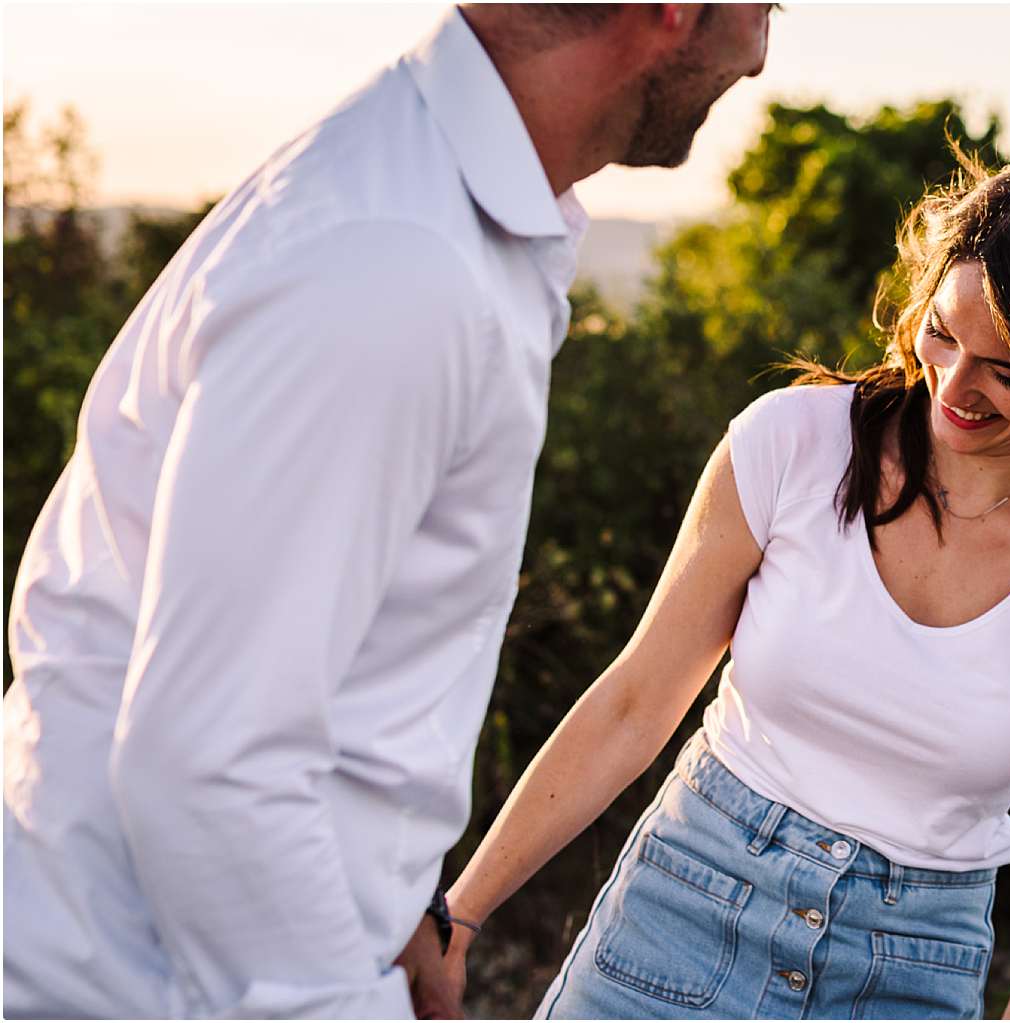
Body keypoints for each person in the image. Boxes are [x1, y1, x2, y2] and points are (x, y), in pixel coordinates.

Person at [422, 155, 1010, 1019]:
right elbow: (635, 703)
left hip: (910, 970)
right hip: (684, 907)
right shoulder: (788, 446)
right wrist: (458, 914)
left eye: (1008, 371)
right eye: (941, 335)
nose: (956, 388)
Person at [2, 5, 771, 1017]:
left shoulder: (440, 212)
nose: (760, 50)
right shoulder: (390, 261)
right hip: (144, 986)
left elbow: (325, 673)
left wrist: (384, 905)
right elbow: (209, 760)